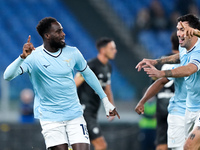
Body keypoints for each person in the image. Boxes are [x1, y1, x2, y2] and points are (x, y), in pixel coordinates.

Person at [3, 17, 120, 150]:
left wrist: (105, 101)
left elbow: (88, 75)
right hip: (50, 118)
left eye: (62, 30)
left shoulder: (73, 52)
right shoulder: (33, 57)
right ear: (47, 35)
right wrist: (22, 57)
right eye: (58, 32)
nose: (63, 34)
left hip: (75, 115)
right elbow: (7, 76)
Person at [135, 14, 200, 150]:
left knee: (189, 145)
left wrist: (161, 73)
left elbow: (189, 69)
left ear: (193, 31)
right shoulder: (184, 48)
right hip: (189, 108)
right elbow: (179, 57)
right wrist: (156, 61)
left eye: (183, 29)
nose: (179, 33)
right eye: (178, 29)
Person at [135, 31, 187, 150]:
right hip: (179, 105)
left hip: (162, 105)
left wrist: (144, 101)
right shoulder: (186, 60)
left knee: (161, 141)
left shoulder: (161, 61)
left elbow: (155, 83)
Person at [74, 37, 117, 150]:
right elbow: (74, 84)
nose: (115, 51)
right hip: (83, 111)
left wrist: (111, 106)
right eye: (112, 48)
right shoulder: (91, 65)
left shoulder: (108, 67)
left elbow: (107, 88)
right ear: (103, 50)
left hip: (93, 111)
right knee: (101, 145)